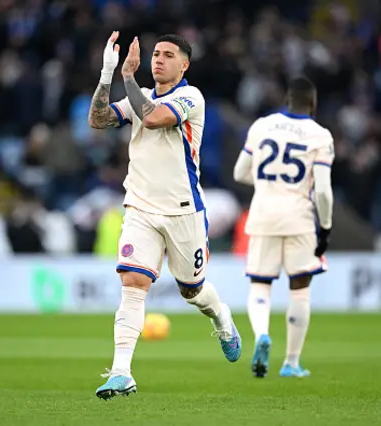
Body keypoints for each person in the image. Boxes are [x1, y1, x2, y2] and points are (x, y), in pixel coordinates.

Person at [87, 32, 241, 400]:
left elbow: (154, 119)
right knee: (133, 283)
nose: (158, 60)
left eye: (168, 55)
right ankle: (121, 372)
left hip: (183, 211)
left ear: (184, 64)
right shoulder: (140, 96)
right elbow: (98, 119)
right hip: (140, 207)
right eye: (156, 54)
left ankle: (222, 318)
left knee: (193, 291)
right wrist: (108, 73)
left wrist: (128, 78)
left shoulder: (190, 97)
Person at [232, 77, 334, 378]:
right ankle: (291, 362)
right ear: (313, 104)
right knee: (300, 290)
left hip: (263, 214)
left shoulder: (261, 125)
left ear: (286, 99)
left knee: (260, 284)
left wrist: (266, 183)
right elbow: (324, 191)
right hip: (299, 218)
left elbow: (240, 172)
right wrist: (325, 228)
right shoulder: (320, 135)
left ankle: (262, 334)